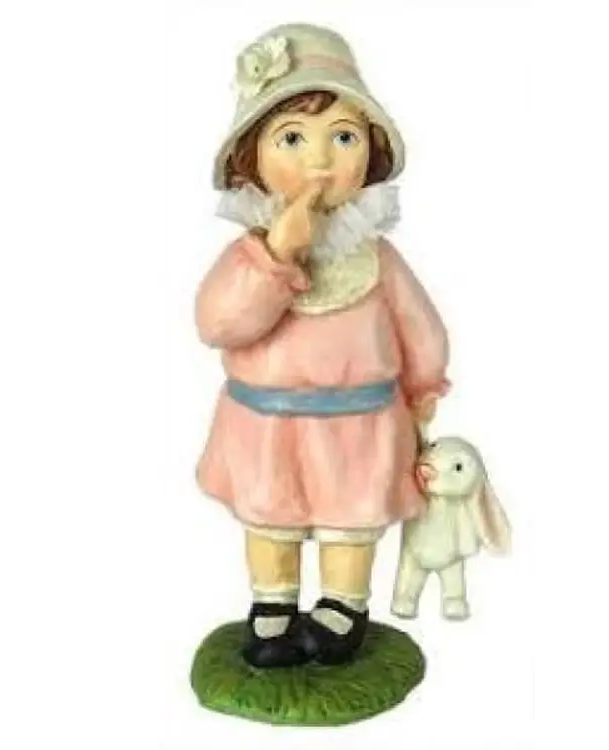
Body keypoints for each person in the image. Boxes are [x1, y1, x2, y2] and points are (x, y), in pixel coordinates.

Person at [195, 23, 450, 668]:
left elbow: (419, 325)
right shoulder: (250, 255)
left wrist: (424, 387)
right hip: (265, 427)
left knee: (350, 522)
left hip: (361, 424)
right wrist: (278, 255)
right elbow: (221, 323)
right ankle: (273, 605)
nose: (320, 161)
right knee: (270, 517)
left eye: (342, 137)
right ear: (251, 158)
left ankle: (341, 608)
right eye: (292, 139)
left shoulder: (375, 258)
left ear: (370, 150)